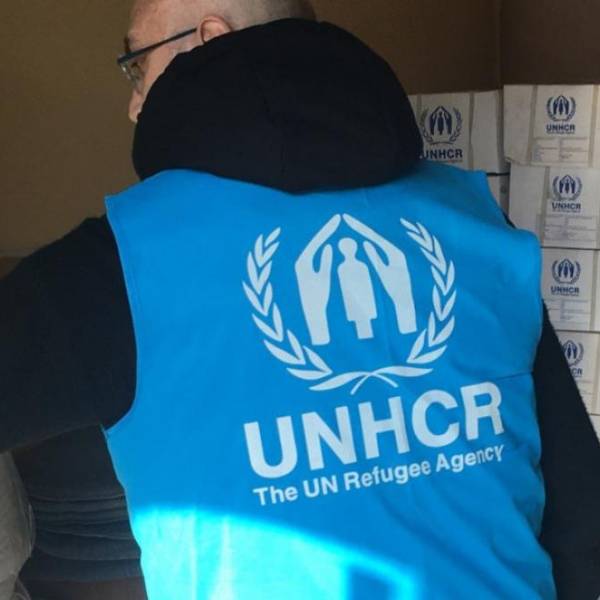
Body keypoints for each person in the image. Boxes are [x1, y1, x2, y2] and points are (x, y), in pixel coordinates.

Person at [1, 0, 600, 597]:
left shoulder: (116, 266)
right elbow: (579, 510)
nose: (134, 104)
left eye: (137, 64)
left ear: (208, 39)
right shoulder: (474, 221)